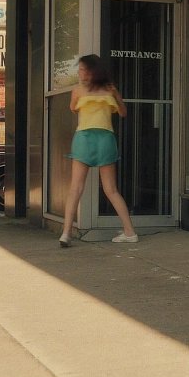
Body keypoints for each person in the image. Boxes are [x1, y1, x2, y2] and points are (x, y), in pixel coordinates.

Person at [59, 54, 137, 247]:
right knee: (111, 189)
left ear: (92, 71)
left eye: (83, 69)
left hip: (84, 138)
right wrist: (116, 96)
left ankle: (66, 233)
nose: (80, 73)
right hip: (105, 139)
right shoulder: (110, 90)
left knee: (75, 188)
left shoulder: (78, 91)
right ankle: (129, 231)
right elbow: (123, 112)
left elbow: (73, 108)